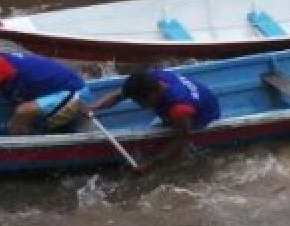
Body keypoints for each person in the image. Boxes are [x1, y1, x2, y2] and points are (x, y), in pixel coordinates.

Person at [88, 67, 220, 171]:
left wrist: (151, 165)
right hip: (190, 102)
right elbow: (118, 96)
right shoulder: (153, 77)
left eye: (139, 102)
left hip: (204, 115)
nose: (138, 105)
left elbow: (183, 139)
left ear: (151, 96)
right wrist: (93, 107)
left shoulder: (179, 107)